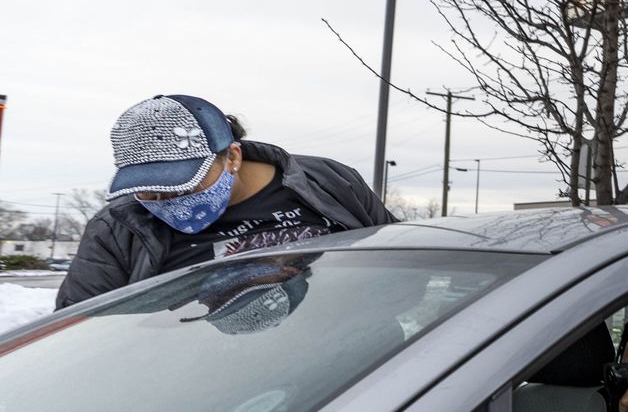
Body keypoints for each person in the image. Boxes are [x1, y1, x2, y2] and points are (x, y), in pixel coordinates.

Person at [57, 95, 396, 308]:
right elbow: (77, 330)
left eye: (182, 185)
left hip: (352, 364)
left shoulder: (329, 181)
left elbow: (397, 260)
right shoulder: (115, 229)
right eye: (148, 189)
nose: (165, 200)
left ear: (232, 156)